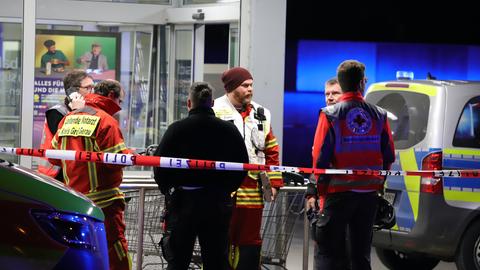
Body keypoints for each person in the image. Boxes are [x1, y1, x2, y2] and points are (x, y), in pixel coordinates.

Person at [306, 60, 395, 270]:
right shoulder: (380, 115)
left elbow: (320, 159)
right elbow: (389, 155)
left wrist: (319, 192)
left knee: (327, 253)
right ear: (362, 83)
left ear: (342, 83)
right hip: (368, 196)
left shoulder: (330, 114)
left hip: (337, 194)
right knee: (361, 256)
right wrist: (377, 183)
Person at [153, 82, 249, 270]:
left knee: (178, 261)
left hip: (183, 204)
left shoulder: (177, 129)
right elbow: (242, 165)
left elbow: (159, 164)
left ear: (189, 103)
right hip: (216, 203)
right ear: (212, 103)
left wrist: (168, 191)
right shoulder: (229, 130)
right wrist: (227, 190)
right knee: (216, 261)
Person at [50, 79, 131, 270]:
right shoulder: (106, 121)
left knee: (81, 251)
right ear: (112, 96)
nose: (119, 106)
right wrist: (131, 155)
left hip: (73, 201)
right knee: (115, 248)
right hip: (104, 203)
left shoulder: (68, 118)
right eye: (120, 101)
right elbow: (116, 161)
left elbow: (54, 157)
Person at [213, 67, 283, 270]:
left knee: (250, 244)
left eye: (251, 85)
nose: (250, 89)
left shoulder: (262, 114)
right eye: (245, 85)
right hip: (222, 190)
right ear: (232, 87)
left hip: (253, 191)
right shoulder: (215, 110)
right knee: (219, 240)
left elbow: (272, 151)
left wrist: (275, 182)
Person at [38, 70, 93, 181]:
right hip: (55, 175)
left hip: (74, 173)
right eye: (88, 88)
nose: (92, 92)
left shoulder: (88, 111)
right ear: (73, 91)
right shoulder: (56, 113)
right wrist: (77, 112)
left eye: (92, 87)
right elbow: (70, 140)